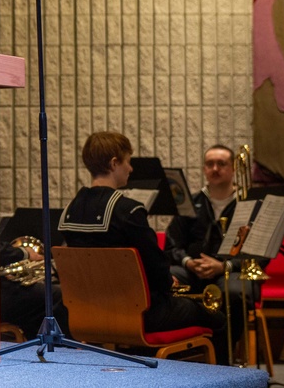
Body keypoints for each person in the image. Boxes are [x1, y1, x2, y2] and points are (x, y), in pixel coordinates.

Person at [58, 131, 228, 362]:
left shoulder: (69, 211)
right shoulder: (129, 211)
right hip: (139, 316)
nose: (131, 168)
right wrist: (168, 282)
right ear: (114, 163)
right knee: (215, 317)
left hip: (86, 314)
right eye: (128, 161)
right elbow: (156, 268)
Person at [164, 144, 249, 348]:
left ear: (233, 169)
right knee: (165, 280)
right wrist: (188, 262)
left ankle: (224, 351)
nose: (215, 169)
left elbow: (258, 253)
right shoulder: (191, 202)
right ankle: (182, 348)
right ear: (204, 169)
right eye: (210, 164)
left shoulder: (247, 203)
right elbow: (172, 244)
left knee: (235, 290)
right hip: (193, 269)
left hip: (231, 270)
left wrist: (224, 266)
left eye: (221, 164)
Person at [0, 238, 70, 340]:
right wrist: (25, 252)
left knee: (39, 294)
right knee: (57, 296)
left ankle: (36, 344)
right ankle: (63, 348)